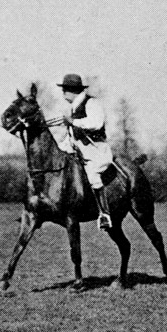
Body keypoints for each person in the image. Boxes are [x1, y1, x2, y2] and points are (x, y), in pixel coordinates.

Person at [58, 73, 113, 230]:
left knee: (92, 173)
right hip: (78, 149)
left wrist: (73, 121)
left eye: (65, 89)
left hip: (96, 149)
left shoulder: (91, 103)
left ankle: (104, 214)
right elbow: (71, 137)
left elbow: (96, 123)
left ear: (72, 90)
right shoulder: (73, 107)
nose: (63, 93)